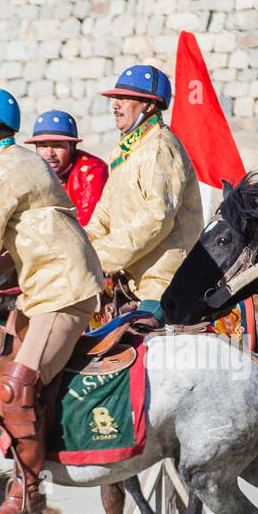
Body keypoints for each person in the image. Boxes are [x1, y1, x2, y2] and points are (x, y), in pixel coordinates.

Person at [0, 85, 105, 514]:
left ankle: (30, 491)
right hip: (43, 288)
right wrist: (2, 262)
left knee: (16, 386)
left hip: (63, 291)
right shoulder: (19, 161)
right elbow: (32, 229)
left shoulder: (1, 171)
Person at [85, 64, 204, 322]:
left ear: (149, 106)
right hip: (127, 279)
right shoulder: (125, 152)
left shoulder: (161, 148)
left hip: (163, 283)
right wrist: (81, 245)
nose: (115, 105)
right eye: (115, 98)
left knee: (138, 348)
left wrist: (101, 255)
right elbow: (103, 213)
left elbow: (157, 219)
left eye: (124, 99)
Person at [24, 110, 109, 226]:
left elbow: (89, 225)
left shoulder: (92, 171)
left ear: (72, 147)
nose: (50, 153)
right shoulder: (32, 172)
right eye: (43, 146)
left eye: (58, 146)